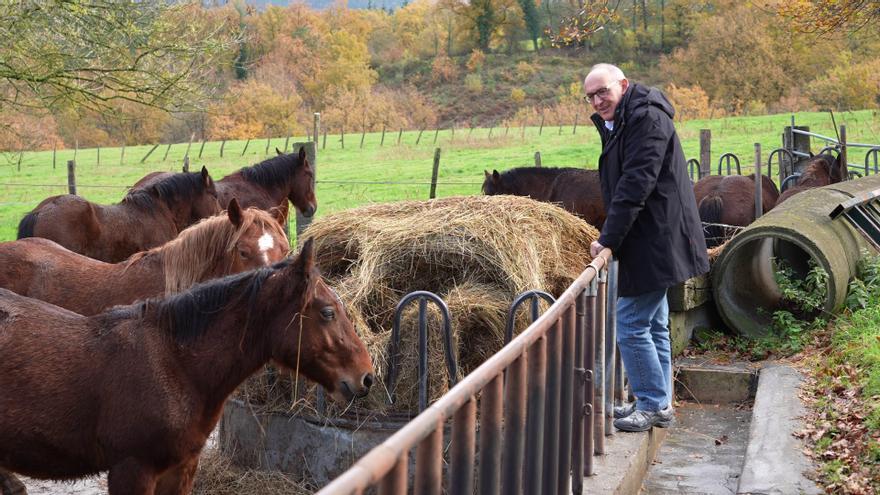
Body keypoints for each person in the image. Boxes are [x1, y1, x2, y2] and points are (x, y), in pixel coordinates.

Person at [584, 63, 709, 432]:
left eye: (602, 91)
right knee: (653, 323)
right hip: (652, 237)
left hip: (658, 238)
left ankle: (654, 403)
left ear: (622, 85)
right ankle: (656, 399)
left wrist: (608, 240)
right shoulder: (624, 119)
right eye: (590, 96)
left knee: (631, 323)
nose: (597, 100)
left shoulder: (646, 120)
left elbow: (635, 184)